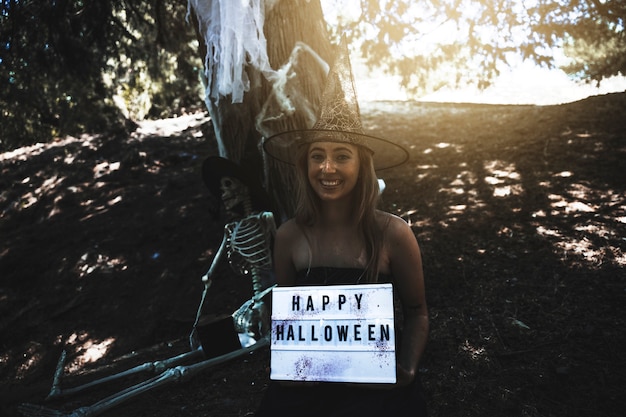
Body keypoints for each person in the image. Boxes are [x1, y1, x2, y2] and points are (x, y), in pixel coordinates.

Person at [255, 39, 429, 417]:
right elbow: (288, 318)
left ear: (362, 166)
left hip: (375, 388)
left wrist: (409, 367)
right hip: (307, 389)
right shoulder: (288, 237)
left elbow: (417, 311)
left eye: (341, 156)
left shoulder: (394, 234)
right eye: (317, 156)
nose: (327, 168)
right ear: (305, 166)